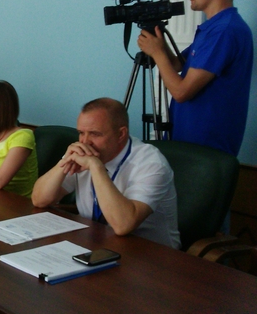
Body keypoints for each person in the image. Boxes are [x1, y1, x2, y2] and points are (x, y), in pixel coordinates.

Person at [137, 0, 253, 156]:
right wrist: (159, 40)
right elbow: (177, 64)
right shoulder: (214, 28)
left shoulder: (223, 31)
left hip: (205, 143)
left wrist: (156, 53)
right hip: (189, 135)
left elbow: (181, 92)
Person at [32, 98, 180, 249]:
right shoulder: (81, 151)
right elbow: (39, 200)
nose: (85, 141)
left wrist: (96, 167)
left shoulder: (152, 164)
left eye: (95, 134)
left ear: (121, 134)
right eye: (81, 133)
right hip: (96, 243)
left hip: (150, 253)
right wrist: (62, 164)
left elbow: (123, 225)